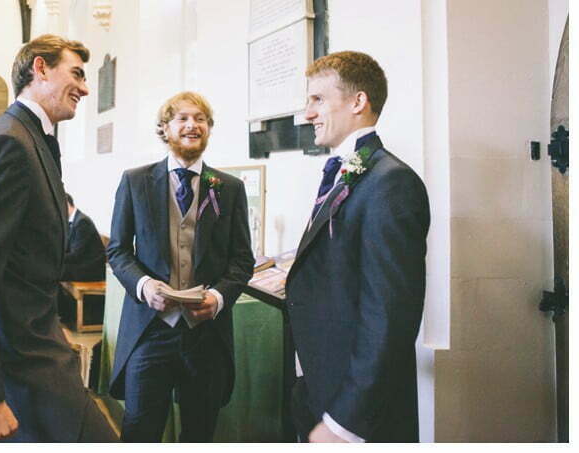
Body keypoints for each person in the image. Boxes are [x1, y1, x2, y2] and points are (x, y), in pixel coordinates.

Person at [0, 34, 115, 443]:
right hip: (15, 362)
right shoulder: (8, 143)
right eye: (77, 73)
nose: (85, 88)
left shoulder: (27, 137)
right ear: (40, 68)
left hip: (33, 348)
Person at [286, 51, 430, 443]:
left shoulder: (391, 183)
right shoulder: (343, 171)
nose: (307, 112)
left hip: (357, 412)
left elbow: (389, 314)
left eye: (317, 99)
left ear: (358, 102)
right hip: (319, 384)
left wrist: (345, 422)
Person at [106, 92, 254, 442]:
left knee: (199, 432)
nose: (192, 125)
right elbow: (118, 250)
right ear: (165, 128)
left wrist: (218, 298)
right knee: (140, 429)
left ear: (208, 128)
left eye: (200, 118)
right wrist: (145, 286)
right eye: (183, 118)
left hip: (206, 336)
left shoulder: (229, 188)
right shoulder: (135, 181)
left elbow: (242, 260)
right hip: (150, 329)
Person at [60, 193, 106, 282]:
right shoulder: (73, 220)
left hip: (90, 270)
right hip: (80, 265)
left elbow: (76, 255)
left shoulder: (82, 222)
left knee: (54, 271)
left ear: (66, 204)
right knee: (52, 270)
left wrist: (56, 258)